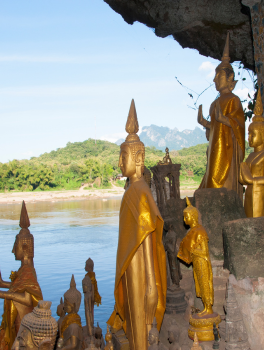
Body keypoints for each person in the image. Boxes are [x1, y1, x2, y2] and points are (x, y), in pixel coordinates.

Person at [107, 99, 167, 350]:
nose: (120, 163)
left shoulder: (140, 192)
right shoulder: (131, 191)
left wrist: (152, 281)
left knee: (140, 322)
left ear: (137, 157)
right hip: (130, 266)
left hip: (140, 269)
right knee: (132, 322)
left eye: (123, 157)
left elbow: (149, 240)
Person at [197, 32, 245, 200]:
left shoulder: (234, 100)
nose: (215, 80)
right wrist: (205, 123)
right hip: (215, 148)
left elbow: (238, 123)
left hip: (226, 148)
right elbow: (215, 126)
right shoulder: (215, 103)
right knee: (210, 180)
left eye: (219, 76)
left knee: (224, 183)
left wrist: (223, 119)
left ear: (229, 77)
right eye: (215, 76)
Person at [0, 201, 43, 350]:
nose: (13, 250)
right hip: (19, 320)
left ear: (25, 246)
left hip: (24, 323)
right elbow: (19, 287)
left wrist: (3, 294)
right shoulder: (24, 270)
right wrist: (4, 284)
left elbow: (28, 298)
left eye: (16, 246)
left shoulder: (27, 271)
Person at [239, 91, 264, 217]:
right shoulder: (250, 156)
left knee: (257, 220)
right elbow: (243, 180)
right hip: (249, 193)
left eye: (252, 134)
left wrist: (252, 180)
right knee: (248, 218)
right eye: (248, 134)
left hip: (260, 193)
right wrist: (242, 171)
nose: (249, 137)